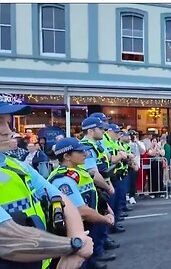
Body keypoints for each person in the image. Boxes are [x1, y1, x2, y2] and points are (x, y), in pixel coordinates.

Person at [0, 100, 93, 269]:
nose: (8, 130)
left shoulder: (17, 165)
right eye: (0, 122)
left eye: (7, 122)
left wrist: (76, 241)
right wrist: (75, 245)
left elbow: (63, 201)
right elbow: (7, 238)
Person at [48, 138, 115, 269]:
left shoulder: (80, 171)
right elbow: (81, 210)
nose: (85, 154)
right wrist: (104, 219)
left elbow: (95, 193)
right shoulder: (63, 180)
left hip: (88, 224)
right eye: (80, 151)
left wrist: (107, 209)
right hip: (75, 229)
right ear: (67, 156)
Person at [80, 117, 118, 263]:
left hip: (101, 185)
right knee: (97, 220)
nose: (103, 131)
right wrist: (107, 186)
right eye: (100, 129)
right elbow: (93, 172)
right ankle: (97, 253)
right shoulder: (87, 147)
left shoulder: (96, 145)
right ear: (90, 130)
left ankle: (101, 245)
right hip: (95, 187)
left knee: (102, 218)